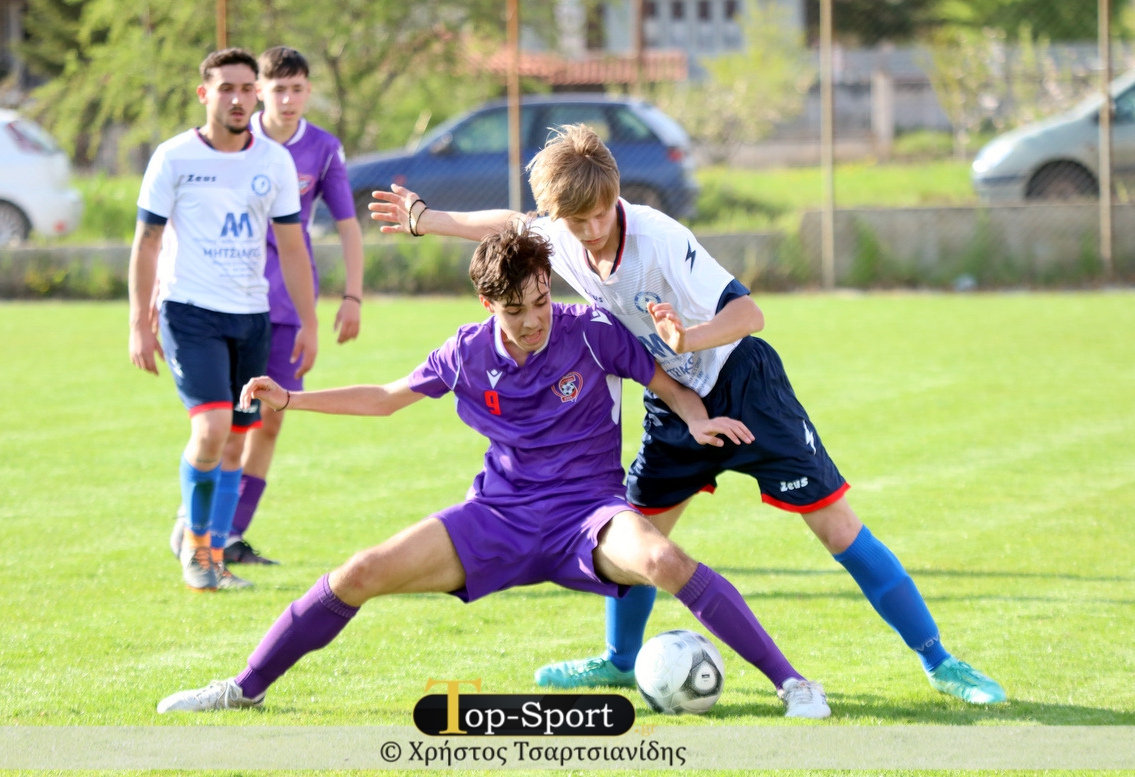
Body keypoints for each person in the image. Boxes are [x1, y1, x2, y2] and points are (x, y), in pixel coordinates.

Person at [367, 124, 1006, 705]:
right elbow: (510, 224)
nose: (589, 230)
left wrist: (688, 337)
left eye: (598, 214)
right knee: (636, 534)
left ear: (615, 194)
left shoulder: (660, 239)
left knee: (836, 528)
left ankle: (942, 662)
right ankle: (620, 662)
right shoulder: (559, 233)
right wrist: (426, 218)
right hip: (674, 403)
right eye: (575, 221)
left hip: (744, 387)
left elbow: (750, 314)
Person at [156, 225, 830, 718]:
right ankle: (241, 688)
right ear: (487, 304)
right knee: (360, 571)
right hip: (497, 518)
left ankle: (794, 684)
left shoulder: (592, 330)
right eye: (516, 309)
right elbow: (386, 398)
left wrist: (697, 417)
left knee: (661, 558)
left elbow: (666, 383)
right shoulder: (465, 353)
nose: (535, 320)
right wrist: (291, 399)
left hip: (588, 516)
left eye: (541, 301)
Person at [167, 46, 366, 566]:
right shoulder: (232, 141)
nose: (288, 99)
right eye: (278, 89)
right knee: (220, 421)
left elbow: (348, 225)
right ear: (260, 92)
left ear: (309, 91)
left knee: (269, 418)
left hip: (287, 306)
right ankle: (196, 524)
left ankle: (228, 534)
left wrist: (351, 296)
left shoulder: (322, 149)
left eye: (297, 89)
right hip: (225, 299)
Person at [129, 48, 318, 592]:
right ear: (204, 94)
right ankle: (196, 551)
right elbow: (146, 242)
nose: (238, 99)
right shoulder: (173, 157)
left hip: (252, 316)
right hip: (190, 311)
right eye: (226, 88)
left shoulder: (273, 162)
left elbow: (293, 249)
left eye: (246, 88)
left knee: (235, 442)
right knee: (211, 429)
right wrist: (138, 321)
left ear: (256, 93)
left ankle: (210, 551)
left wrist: (308, 322)